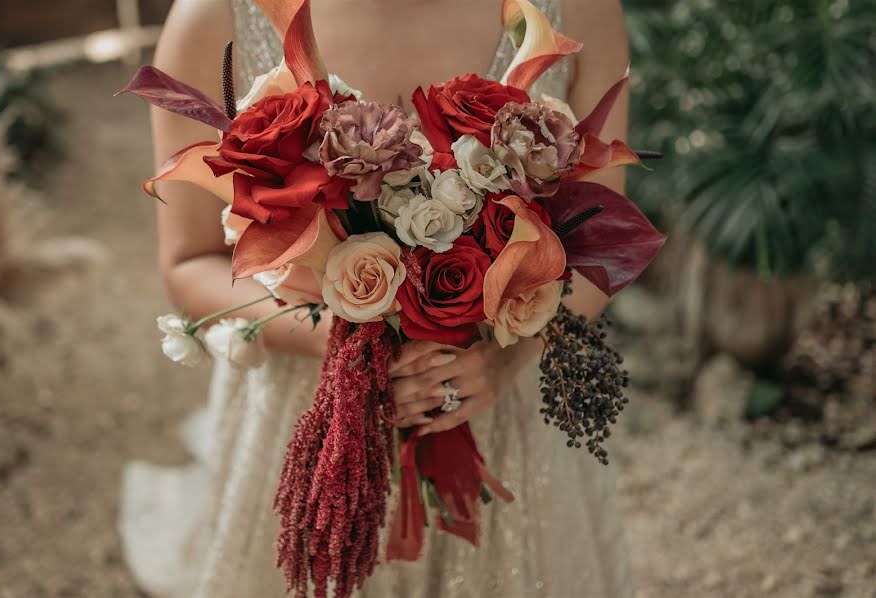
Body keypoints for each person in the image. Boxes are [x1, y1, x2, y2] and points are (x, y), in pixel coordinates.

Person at [119, 0, 633, 596]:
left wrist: (502, 359)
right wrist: (353, 356)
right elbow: (191, 264)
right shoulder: (212, 19)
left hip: (491, 400)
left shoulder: (581, 9)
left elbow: (602, 242)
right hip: (309, 405)